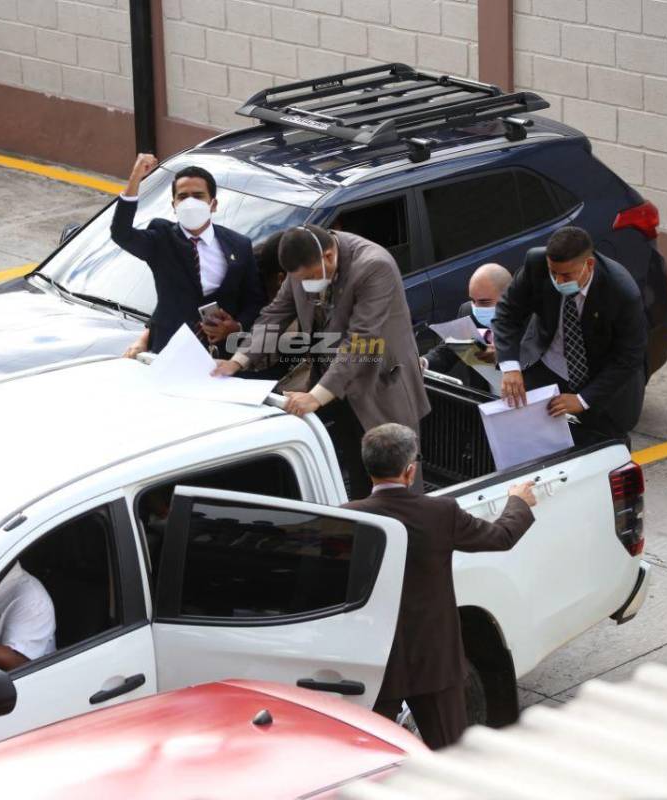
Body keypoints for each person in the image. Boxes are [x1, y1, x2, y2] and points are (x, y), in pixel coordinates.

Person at [343, 423, 537, 749]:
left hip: (377, 661)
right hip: (434, 658)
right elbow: (501, 536)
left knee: (367, 754)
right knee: (451, 753)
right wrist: (519, 501)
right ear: (410, 471)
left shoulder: (348, 518)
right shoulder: (439, 512)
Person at [213, 224, 431, 499]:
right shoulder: (301, 270)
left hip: (379, 385)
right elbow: (274, 316)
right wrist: (237, 361)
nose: (307, 285)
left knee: (397, 484)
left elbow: (361, 341)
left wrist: (315, 397)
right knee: (357, 469)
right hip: (333, 385)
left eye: (313, 277)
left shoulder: (374, 267)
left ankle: (407, 537)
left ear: (329, 257)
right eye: (300, 280)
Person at [493, 226, 647, 445]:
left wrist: (583, 400)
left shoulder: (622, 291)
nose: (559, 281)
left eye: (567, 275)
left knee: (602, 448)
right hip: (547, 366)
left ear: (589, 265)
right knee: (530, 440)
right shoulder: (535, 263)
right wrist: (510, 366)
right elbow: (507, 312)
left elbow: (630, 356)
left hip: (601, 380)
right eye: (553, 273)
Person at [112, 153, 264, 356]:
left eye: (198, 196)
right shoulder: (161, 238)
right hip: (168, 350)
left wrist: (236, 327)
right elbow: (121, 233)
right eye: (182, 197)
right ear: (174, 205)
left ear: (214, 204)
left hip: (219, 356)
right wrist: (135, 179)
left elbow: (255, 301)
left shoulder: (238, 245)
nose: (190, 202)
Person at [420, 263, 512, 393]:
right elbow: (450, 348)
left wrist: (504, 354)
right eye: (473, 300)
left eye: (484, 302)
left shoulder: (532, 317)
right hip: (488, 402)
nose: (477, 308)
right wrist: (424, 362)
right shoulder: (467, 311)